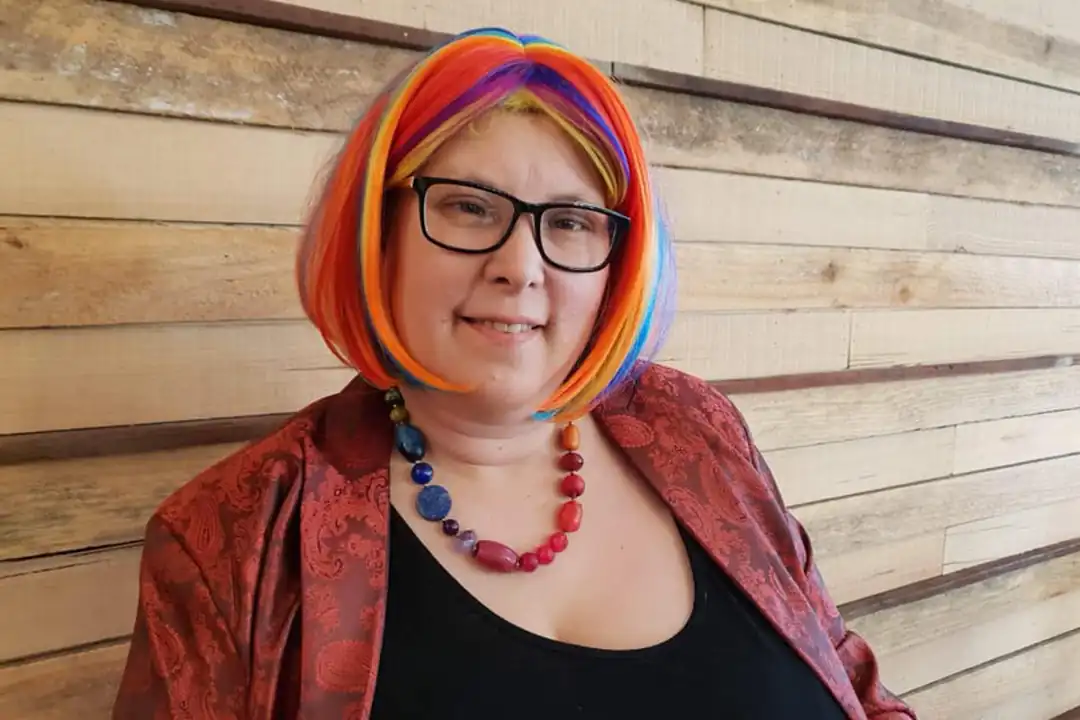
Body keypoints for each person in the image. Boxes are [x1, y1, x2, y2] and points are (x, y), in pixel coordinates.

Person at [111, 27, 916, 720]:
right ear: (377, 232)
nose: (519, 266)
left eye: (569, 222)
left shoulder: (695, 427)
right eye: (468, 206)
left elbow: (847, 675)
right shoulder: (234, 536)